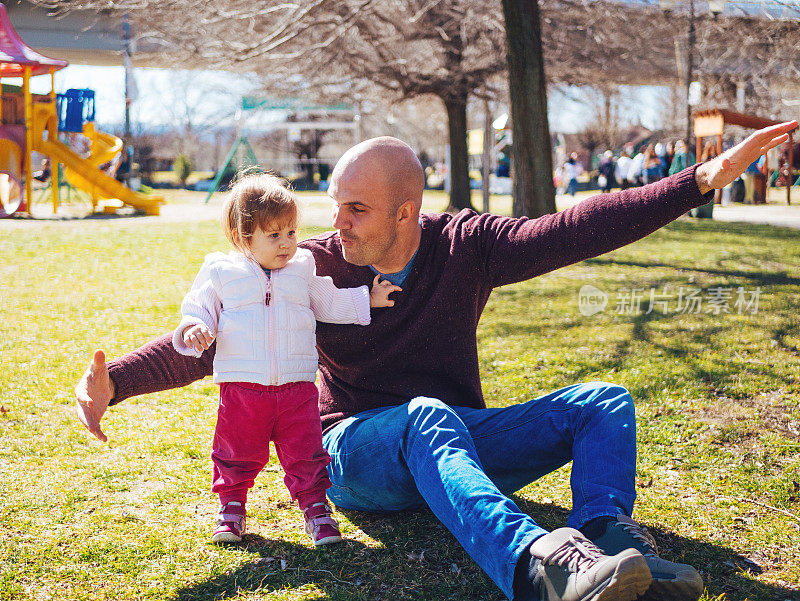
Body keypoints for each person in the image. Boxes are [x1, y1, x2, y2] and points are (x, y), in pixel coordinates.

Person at [75, 122, 797, 601]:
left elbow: (575, 227)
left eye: (355, 208)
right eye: (335, 205)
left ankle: (608, 542)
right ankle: (537, 566)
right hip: (358, 454)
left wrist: (698, 181)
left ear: (406, 212)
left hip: (453, 438)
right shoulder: (311, 267)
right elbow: (214, 339)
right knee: (426, 417)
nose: (336, 224)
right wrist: (116, 382)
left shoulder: (466, 245)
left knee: (603, 400)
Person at [174, 173, 399, 545]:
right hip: (242, 388)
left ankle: (316, 510)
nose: (287, 244)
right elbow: (196, 309)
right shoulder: (220, 271)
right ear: (245, 237)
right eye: (274, 235)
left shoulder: (302, 268)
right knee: (236, 451)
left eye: (291, 233)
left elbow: (327, 301)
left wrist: (367, 300)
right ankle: (231, 507)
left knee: (306, 452)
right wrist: (194, 329)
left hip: (296, 388)